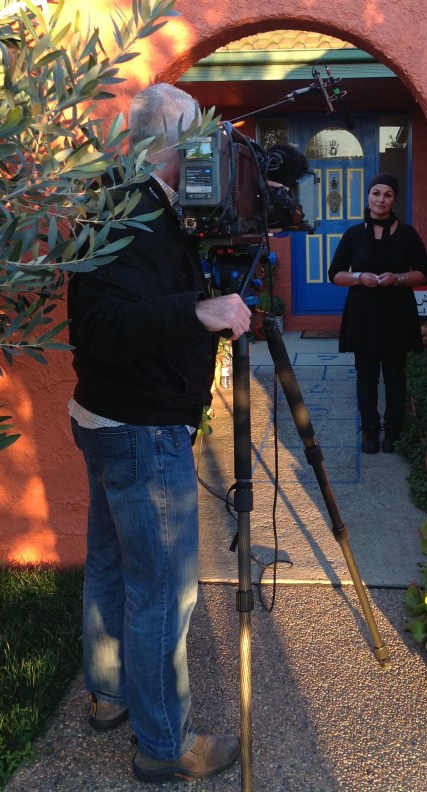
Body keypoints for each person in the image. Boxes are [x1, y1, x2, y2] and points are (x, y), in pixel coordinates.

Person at [67, 83, 251, 783]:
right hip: (139, 430)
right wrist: (199, 313)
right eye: (200, 137)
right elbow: (102, 326)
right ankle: (164, 744)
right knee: (161, 592)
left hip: (107, 419)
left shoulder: (132, 203)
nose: (209, 151)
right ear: (174, 144)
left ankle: (110, 695)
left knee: (113, 566)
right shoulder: (134, 213)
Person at [328, 172, 427, 454]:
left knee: (395, 377)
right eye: (376, 193)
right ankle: (370, 431)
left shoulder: (408, 234)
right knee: (366, 378)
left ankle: (393, 431)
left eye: (387, 194)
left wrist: (398, 278)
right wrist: (359, 277)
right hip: (363, 315)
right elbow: (335, 274)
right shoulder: (353, 234)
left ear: (394, 199)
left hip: (397, 315)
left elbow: (425, 273)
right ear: (368, 196)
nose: (381, 199)